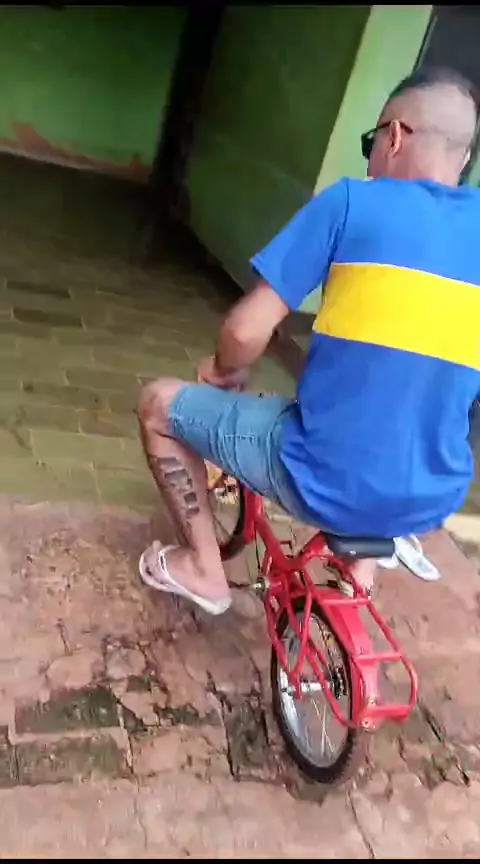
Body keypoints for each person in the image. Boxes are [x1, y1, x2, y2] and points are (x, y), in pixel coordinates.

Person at [137, 66, 480, 614]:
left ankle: (204, 570)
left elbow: (245, 330)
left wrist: (224, 371)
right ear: (460, 159)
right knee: (405, 412)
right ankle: (359, 574)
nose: (370, 159)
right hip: (433, 495)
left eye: (371, 143)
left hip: (324, 477)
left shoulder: (351, 202)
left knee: (158, 405)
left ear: (393, 137)